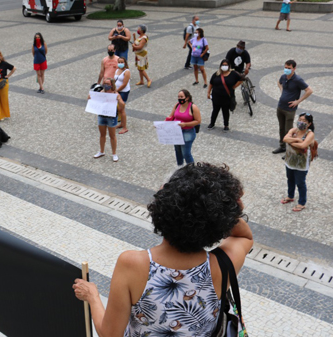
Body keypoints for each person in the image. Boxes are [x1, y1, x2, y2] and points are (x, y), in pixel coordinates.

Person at [73, 163, 253, 337]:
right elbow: (243, 236)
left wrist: (93, 296)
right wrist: (226, 208)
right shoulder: (223, 266)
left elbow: (110, 334)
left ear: (163, 206)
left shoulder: (132, 264)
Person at [272, 60, 312, 154]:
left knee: (289, 131)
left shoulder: (298, 80)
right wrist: (282, 89)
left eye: (289, 68)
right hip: (280, 107)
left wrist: (298, 101)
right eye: (285, 67)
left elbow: (309, 90)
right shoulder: (283, 76)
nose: (286, 69)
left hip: (289, 110)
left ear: (294, 68)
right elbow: (279, 82)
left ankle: (290, 150)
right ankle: (282, 146)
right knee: (281, 128)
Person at [281, 113, 315, 212]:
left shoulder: (310, 134)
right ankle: (290, 196)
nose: (301, 122)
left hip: (301, 164)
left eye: (304, 121)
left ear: (309, 124)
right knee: (290, 179)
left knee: (300, 183)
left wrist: (292, 141)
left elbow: (303, 145)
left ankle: (302, 203)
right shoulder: (293, 130)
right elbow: (284, 139)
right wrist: (297, 140)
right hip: (290, 161)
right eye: (300, 119)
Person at [91, 78, 124, 162]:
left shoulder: (115, 94)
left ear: (111, 85)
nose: (106, 85)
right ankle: (101, 151)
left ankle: (114, 153)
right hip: (102, 115)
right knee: (102, 134)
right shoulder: (101, 92)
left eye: (108, 84)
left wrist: (118, 99)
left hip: (111, 117)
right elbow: (91, 99)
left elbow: (122, 106)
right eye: (104, 83)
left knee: (112, 135)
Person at [165, 89, 201, 166]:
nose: (180, 98)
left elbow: (198, 121)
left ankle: (192, 170)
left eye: (181, 96)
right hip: (177, 131)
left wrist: (185, 124)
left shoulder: (193, 107)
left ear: (187, 97)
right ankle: (180, 167)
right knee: (178, 151)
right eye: (178, 97)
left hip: (188, 132)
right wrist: (162, 125)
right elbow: (171, 116)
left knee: (186, 153)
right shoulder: (177, 105)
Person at [207, 59, 243, 132]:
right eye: (223, 65)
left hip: (226, 97)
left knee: (225, 111)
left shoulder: (233, 74)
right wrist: (208, 92)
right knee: (215, 110)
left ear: (229, 66)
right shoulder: (216, 74)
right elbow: (211, 83)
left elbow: (241, 79)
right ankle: (212, 123)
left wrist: (234, 86)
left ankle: (226, 125)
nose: (224, 66)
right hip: (216, 96)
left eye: (226, 65)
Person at [114, 57, 130, 134]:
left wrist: (117, 90)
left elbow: (124, 84)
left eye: (122, 62)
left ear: (125, 63)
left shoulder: (127, 72)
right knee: (118, 108)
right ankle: (121, 124)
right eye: (119, 62)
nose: (120, 63)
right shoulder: (117, 70)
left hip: (123, 92)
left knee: (121, 109)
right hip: (117, 91)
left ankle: (125, 127)